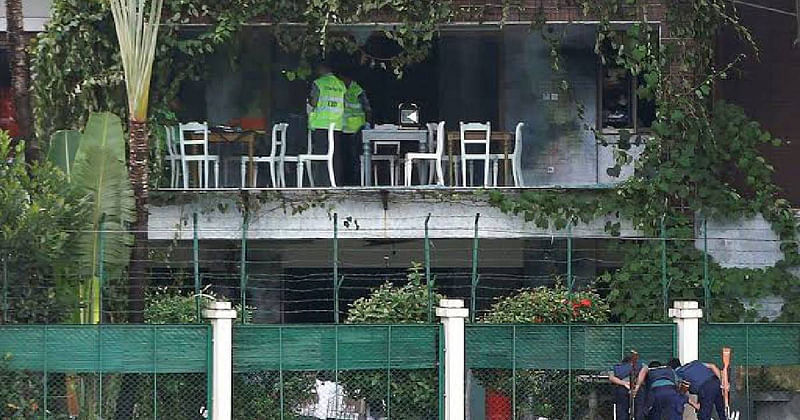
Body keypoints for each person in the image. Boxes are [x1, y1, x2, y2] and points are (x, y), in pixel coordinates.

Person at [307, 62, 346, 186]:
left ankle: (322, 183)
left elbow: (314, 102)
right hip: (337, 124)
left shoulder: (319, 83)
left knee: (321, 156)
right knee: (335, 155)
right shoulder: (341, 84)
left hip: (321, 124)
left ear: (322, 68)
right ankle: (335, 182)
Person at [339, 71, 372, 186]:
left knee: (354, 157)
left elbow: (367, 108)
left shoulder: (357, 90)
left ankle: (355, 181)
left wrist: (367, 124)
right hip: (343, 128)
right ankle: (345, 180)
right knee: (345, 156)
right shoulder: (340, 88)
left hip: (357, 129)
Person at [609, 355, 646, 419]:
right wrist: (637, 386)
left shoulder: (616, 367)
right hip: (636, 388)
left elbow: (611, 378)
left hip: (621, 388)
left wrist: (624, 383)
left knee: (622, 410)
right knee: (639, 410)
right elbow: (645, 369)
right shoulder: (640, 365)